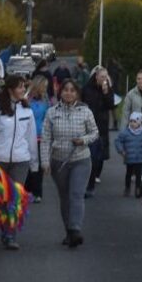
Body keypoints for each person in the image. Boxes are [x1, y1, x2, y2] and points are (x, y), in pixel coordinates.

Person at [0, 75, 38, 251]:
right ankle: (5, 227)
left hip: (21, 161)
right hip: (0, 160)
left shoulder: (27, 111)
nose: (23, 90)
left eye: (23, 87)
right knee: (2, 199)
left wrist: (34, 163)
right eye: (20, 87)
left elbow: (31, 138)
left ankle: (10, 235)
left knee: (14, 198)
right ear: (11, 89)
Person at [41, 76, 99, 249]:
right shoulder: (52, 112)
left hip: (81, 159)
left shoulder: (85, 111)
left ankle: (75, 229)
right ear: (61, 92)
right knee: (65, 197)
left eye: (72, 90)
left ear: (77, 94)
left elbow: (94, 133)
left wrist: (83, 140)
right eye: (66, 90)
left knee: (76, 194)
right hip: (59, 161)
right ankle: (69, 232)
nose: (69, 93)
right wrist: (45, 162)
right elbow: (45, 139)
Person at [82, 65, 116, 195]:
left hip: (102, 124)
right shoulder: (87, 88)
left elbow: (111, 105)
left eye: (106, 77)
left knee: (100, 154)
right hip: (89, 124)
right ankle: (89, 180)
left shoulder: (108, 89)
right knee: (89, 153)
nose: (104, 79)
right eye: (102, 77)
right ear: (96, 77)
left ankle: (96, 174)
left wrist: (106, 93)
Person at [115, 108, 142, 195]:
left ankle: (138, 188)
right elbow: (118, 141)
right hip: (129, 157)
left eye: (134, 121)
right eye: (131, 121)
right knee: (129, 173)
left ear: (139, 122)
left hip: (140, 158)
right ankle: (127, 188)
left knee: (138, 174)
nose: (132, 123)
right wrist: (121, 150)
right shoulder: (125, 132)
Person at [25, 74, 48, 201]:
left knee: (39, 166)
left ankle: (37, 192)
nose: (45, 89)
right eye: (44, 86)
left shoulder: (45, 101)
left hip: (41, 136)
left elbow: (47, 117)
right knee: (29, 164)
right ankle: (27, 190)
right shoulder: (27, 100)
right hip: (28, 136)